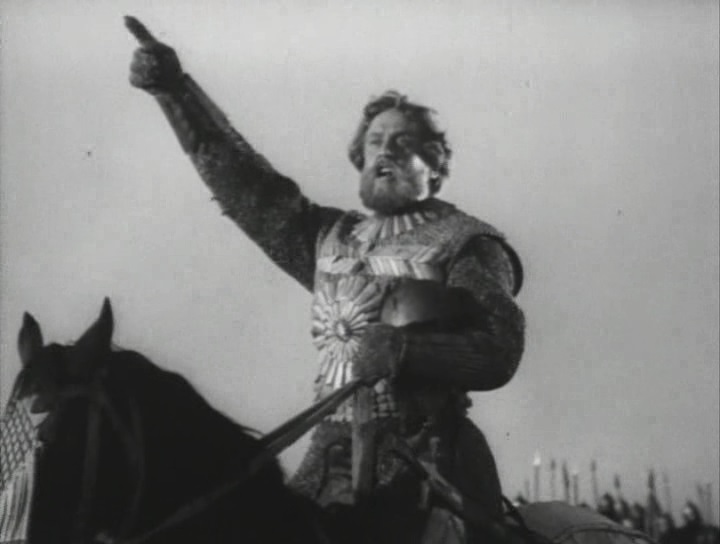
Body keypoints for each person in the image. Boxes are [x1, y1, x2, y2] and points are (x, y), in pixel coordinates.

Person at [126, 16, 525, 543]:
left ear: (435, 163)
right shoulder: (329, 237)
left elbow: (500, 348)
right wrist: (175, 93)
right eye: (375, 142)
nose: (384, 152)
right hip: (328, 457)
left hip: (428, 461)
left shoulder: (466, 242)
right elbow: (248, 188)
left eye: (401, 142)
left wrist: (408, 351)